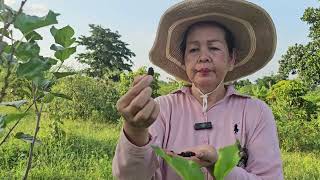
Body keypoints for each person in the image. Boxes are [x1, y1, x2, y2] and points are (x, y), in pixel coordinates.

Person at [112, 0, 283, 179]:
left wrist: (220, 166)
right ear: (184, 60)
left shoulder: (256, 112)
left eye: (214, 47)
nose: (203, 57)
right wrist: (135, 130)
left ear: (231, 59)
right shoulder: (162, 108)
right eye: (193, 49)